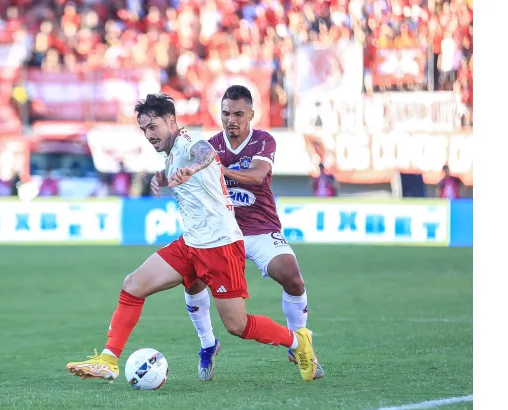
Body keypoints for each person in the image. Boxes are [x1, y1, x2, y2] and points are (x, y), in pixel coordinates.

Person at [66, 93, 319, 383]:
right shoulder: (173, 153)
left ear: (171, 121)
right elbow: (179, 164)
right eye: (144, 130)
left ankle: (298, 343)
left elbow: (206, 153)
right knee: (133, 285)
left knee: (237, 324)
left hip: (221, 247)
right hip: (191, 245)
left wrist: (195, 167)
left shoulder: (190, 142)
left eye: (152, 127)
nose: (148, 135)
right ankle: (108, 359)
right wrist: (161, 176)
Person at [172, 85, 324, 382]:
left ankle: (299, 342)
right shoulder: (209, 146)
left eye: (239, 114)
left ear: (251, 115)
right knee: (192, 282)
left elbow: (256, 176)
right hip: (220, 233)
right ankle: (207, 345)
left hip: (259, 229)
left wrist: (219, 170)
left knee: (292, 276)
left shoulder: (263, 141)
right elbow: (184, 171)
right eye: (226, 113)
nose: (232, 120)